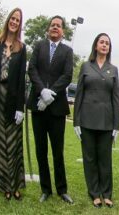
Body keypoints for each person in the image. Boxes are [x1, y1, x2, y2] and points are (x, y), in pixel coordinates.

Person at [27, 16, 74, 204]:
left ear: (62, 31)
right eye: (53, 25)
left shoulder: (67, 51)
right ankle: (45, 189)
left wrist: (51, 93)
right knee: (41, 150)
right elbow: (32, 70)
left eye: (59, 26)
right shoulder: (39, 46)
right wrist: (42, 91)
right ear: (48, 29)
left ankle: (62, 189)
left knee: (57, 151)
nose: (55, 28)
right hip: (37, 106)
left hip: (57, 109)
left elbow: (68, 75)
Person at [72, 33, 119, 208]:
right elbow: (78, 95)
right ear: (96, 45)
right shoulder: (86, 66)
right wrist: (76, 121)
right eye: (102, 42)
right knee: (90, 158)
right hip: (87, 120)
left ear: (109, 48)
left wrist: (117, 125)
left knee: (105, 159)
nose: (104, 45)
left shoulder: (113, 69)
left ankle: (106, 193)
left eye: (107, 43)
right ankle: (94, 193)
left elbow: (116, 98)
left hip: (106, 122)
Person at [0, 8, 27, 200]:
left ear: (20, 24)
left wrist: (21, 107)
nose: (14, 22)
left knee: (14, 146)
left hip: (12, 103)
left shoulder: (22, 47)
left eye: (18, 20)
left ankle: (16, 185)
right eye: (12, 18)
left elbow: (20, 80)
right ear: (8, 20)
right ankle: (5, 187)